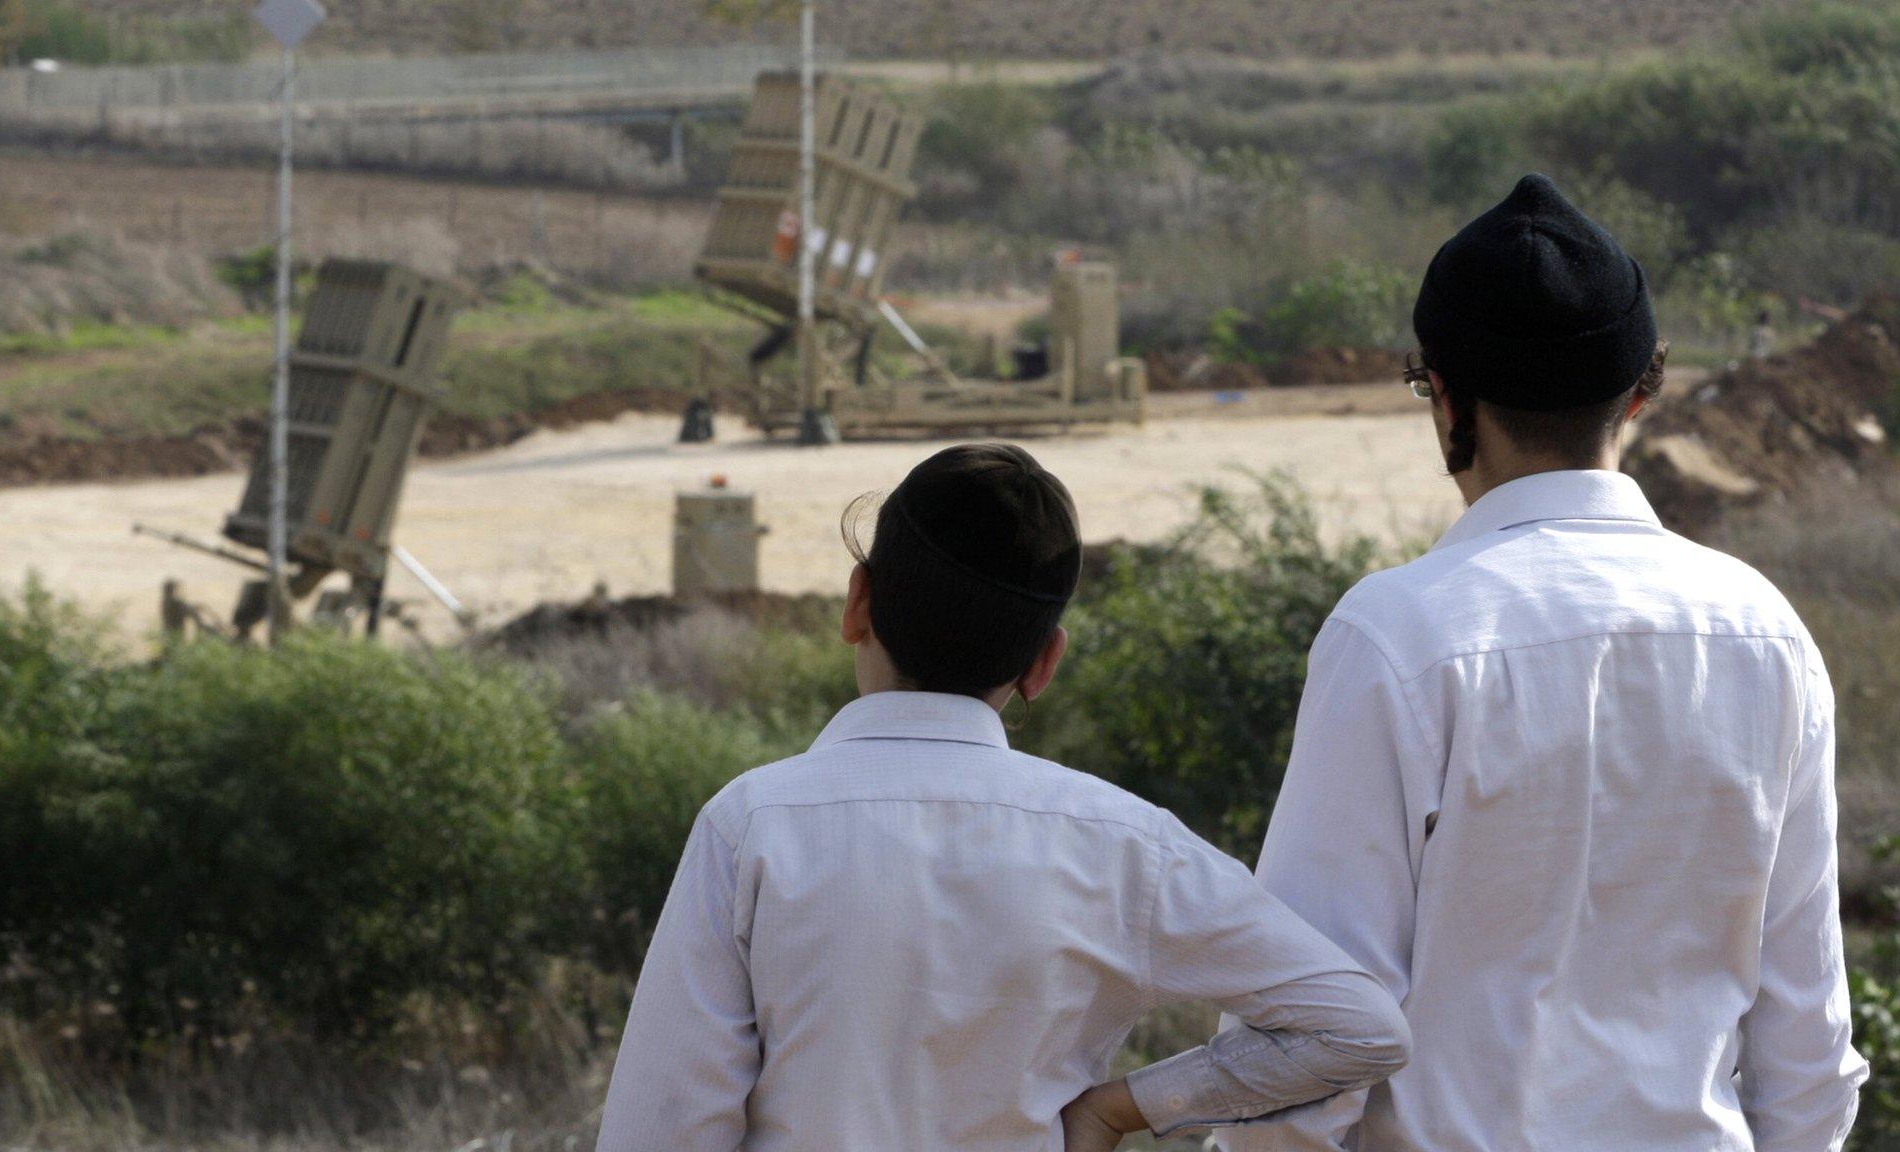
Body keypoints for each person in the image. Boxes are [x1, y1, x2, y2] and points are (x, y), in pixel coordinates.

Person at [1204, 174, 1870, 1151]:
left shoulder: (1397, 637)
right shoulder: (1762, 634)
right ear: (1642, 391)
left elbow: (1308, 1025)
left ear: (1441, 398)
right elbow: (1803, 1038)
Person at [594, 444, 1409, 1152]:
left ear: (856, 603)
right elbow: (1359, 1029)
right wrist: (1120, 1110)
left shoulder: (751, 829)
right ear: (1043, 664)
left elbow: (664, 1128)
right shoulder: (1124, 845)